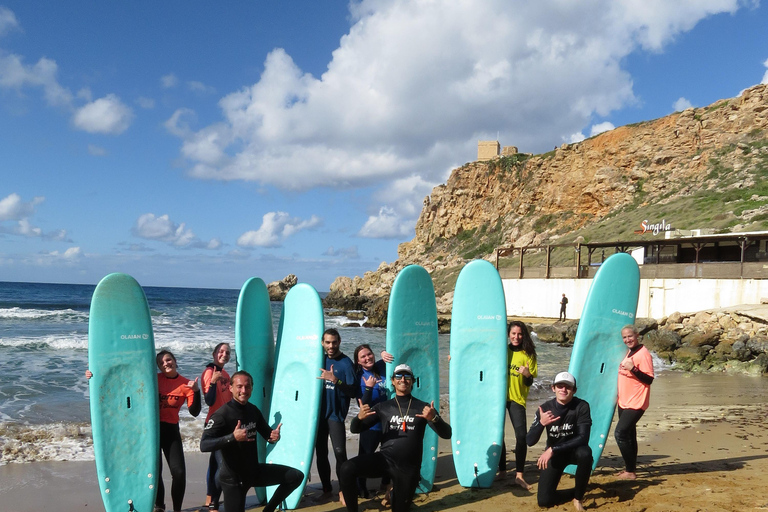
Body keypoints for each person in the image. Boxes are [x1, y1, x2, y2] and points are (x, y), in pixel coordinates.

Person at [338, 363, 452, 512]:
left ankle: (392, 493)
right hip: (385, 460)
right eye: (399, 376)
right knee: (347, 468)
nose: (403, 379)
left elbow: (447, 434)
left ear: (413, 381)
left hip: (408, 468)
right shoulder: (383, 407)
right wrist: (358, 418)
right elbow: (355, 429)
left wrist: (434, 418)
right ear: (393, 381)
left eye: (407, 376)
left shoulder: (423, 408)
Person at [200, 371, 303, 512]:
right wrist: (232, 437)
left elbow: (268, 435)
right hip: (233, 479)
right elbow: (204, 444)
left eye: (247, 387)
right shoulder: (221, 415)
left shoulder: (253, 410)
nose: (244, 390)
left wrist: (274, 437)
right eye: (239, 386)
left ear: (252, 388)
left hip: (253, 471)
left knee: (295, 476)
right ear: (231, 388)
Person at [526, 371, 592, 512]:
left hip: (574, 451)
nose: (563, 390)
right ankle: (577, 489)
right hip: (556, 456)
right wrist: (541, 424)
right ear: (553, 388)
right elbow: (530, 441)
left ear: (574, 390)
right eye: (560, 386)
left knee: (586, 453)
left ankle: (578, 498)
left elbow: (583, 438)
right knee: (544, 501)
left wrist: (552, 449)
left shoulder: (581, 406)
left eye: (568, 387)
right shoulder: (545, 409)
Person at [154, 349, 201, 512]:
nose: (165, 363)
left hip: (170, 430)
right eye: (161, 363)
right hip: (152, 431)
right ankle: (159, 506)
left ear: (174, 361)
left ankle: (177, 510)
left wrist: (196, 391)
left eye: (168, 360)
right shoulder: (154, 379)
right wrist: (93, 373)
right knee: (155, 471)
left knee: (179, 472)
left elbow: (194, 412)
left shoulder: (186, 385)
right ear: (158, 367)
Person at [315, 328, 357, 500]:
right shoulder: (319, 359)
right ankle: (326, 489)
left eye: (334, 342)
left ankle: (343, 490)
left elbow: (353, 391)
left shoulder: (346, 363)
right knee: (321, 453)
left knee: (340, 454)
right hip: (318, 417)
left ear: (339, 342)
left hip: (335, 416)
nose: (330, 346)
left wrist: (335, 380)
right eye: (327, 342)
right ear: (322, 343)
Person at [498, 321, 538, 490]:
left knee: (521, 436)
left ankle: (519, 475)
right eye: (513, 334)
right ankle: (502, 471)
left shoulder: (529, 354)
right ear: (508, 334)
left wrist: (527, 374)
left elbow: (529, 382)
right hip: (499, 399)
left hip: (517, 399)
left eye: (520, 334)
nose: (516, 337)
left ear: (524, 335)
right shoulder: (501, 351)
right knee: (498, 434)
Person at [615, 324, 654, 480]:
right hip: (624, 401)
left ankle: (630, 471)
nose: (627, 339)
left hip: (636, 402)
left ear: (637, 335)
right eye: (624, 337)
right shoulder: (630, 351)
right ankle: (630, 469)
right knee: (630, 435)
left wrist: (633, 369)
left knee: (620, 434)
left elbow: (649, 379)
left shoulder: (643, 354)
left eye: (630, 336)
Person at [352, 344, 390, 499]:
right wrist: (368, 388)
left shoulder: (380, 367)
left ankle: (385, 484)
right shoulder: (359, 377)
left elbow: (395, 352)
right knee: (365, 457)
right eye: (363, 357)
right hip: (371, 424)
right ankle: (361, 489)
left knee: (389, 454)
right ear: (358, 361)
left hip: (388, 421)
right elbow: (363, 405)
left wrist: (384, 351)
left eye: (369, 354)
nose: (367, 358)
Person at [201, 342, 233, 510]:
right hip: (214, 425)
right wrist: (213, 382)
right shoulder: (209, 372)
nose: (224, 354)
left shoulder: (226, 373)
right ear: (214, 354)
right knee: (222, 466)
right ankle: (214, 503)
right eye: (221, 351)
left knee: (214, 463)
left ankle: (209, 498)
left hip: (226, 423)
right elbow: (209, 401)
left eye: (227, 352)